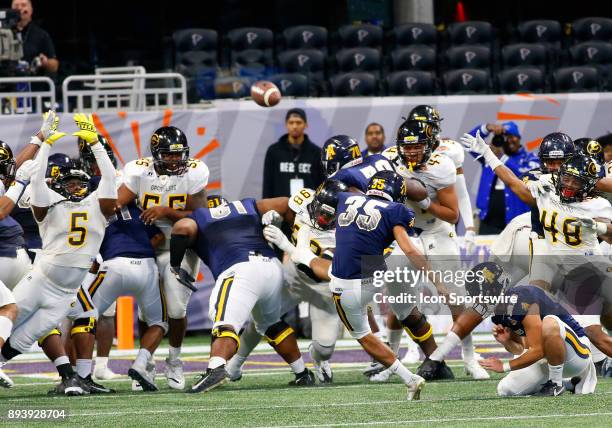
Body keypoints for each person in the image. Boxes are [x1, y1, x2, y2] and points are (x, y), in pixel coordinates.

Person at [0, 114, 117, 396]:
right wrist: (45, 147)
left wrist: (96, 144)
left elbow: (110, 179)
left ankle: (73, 377)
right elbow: (36, 182)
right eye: (70, 183)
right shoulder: (49, 203)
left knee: (26, 338)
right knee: (9, 317)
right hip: (41, 278)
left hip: (66, 290)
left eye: (80, 184)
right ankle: (73, 376)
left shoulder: (98, 207)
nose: (75, 188)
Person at [169, 195, 315, 393]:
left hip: (240, 269)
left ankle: (216, 368)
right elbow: (287, 202)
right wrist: (292, 232)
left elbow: (182, 228)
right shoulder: (246, 205)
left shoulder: (200, 215)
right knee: (271, 323)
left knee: (224, 323)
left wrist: (175, 264)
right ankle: (302, 373)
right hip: (272, 267)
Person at [227, 180, 347, 384]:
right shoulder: (304, 201)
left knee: (324, 348)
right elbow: (273, 207)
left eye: (328, 215)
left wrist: (287, 246)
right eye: (319, 210)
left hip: (324, 288)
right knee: (262, 318)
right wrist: (274, 218)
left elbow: (323, 271)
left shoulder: (346, 232)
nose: (320, 217)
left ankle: (320, 360)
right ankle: (234, 365)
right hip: (294, 276)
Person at [330, 170, 427, 400]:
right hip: (374, 278)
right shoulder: (396, 210)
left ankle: (410, 379)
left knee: (363, 335)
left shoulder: (344, 198)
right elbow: (410, 249)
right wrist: (438, 281)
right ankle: (408, 375)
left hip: (346, 283)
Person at [466, 121, 540, 234]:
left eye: (512, 136)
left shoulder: (530, 158)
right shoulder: (489, 156)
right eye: (506, 137)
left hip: (518, 223)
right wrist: (486, 128)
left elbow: (523, 174)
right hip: (488, 222)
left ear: (519, 138)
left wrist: (500, 157)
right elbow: (468, 142)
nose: (509, 140)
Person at [262, 108, 324, 198]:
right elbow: (268, 184)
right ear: (286, 125)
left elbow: (321, 184)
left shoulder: (316, 152)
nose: (295, 126)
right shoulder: (274, 151)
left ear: (306, 125)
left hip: (308, 207)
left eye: (298, 122)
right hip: (280, 206)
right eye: (291, 122)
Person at [11, 0, 58, 74]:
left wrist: (46, 63)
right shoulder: (3, 33)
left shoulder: (41, 35)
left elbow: (54, 66)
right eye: (16, 6)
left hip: (33, 82)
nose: (19, 8)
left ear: (31, 10)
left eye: (23, 5)